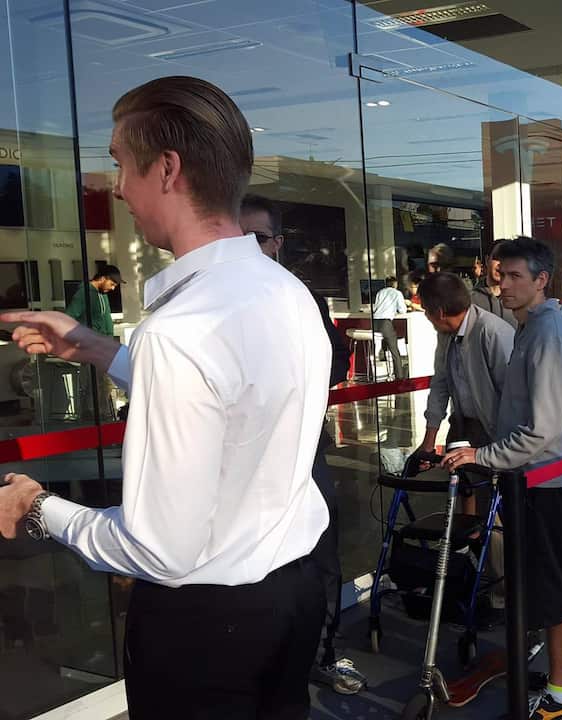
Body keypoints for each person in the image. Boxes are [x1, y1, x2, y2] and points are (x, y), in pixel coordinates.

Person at [0, 75, 329, 718]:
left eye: (121, 162)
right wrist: (101, 350)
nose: (116, 186)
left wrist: (39, 507)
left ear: (168, 170)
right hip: (293, 600)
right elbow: (232, 403)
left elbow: (160, 552)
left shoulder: (179, 332)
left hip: (206, 634)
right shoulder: (283, 290)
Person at [440, 237, 562, 720]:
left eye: (514, 276)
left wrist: (482, 455)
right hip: (538, 478)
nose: (502, 283)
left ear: (542, 280)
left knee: (553, 590)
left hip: (543, 481)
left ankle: (561, 697)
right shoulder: (531, 328)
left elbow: (541, 429)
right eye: (499, 275)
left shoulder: (547, 333)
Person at [241, 193, 365, 695]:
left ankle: (322, 652)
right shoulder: (209, 301)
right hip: (240, 462)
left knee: (319, 553)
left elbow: (337, 363)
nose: (250, 248)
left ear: (278, 243)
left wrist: (291, 384)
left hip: (300, 452)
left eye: (259, 239)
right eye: (239, 238)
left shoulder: (299, 297)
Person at [417, 270, 515, 514]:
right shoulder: (446, 334)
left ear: (439, 312)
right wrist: (428, 443)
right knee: (462, 488)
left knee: (495, 499)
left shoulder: (492, 332)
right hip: (462, 423)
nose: (427, 319)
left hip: (496, 429)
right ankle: (467, 543)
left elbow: (512, 394)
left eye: (427, 312)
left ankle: (492, 544)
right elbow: (440, 382)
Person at [65, 266, 123, 337]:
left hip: (104, 343)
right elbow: (68, 317)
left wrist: (110, 338)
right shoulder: (83, 293)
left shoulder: (103, 294)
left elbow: (107, 319)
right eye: (112, 284)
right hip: (88, 343)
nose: (113, 288)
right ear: (102, 279)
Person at [471, 240, 519, 328]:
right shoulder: (471, 301)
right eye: (497, 258)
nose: (501, 264)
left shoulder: (521, 300)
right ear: (487, 260)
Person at [372, 276, 408, 380]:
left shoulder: (380, 292)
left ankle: (385, 368)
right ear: (395, 284)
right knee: (394, 351)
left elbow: (375, 308)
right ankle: (400, 378)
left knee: (385, 342)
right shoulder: (397, 293)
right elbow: (403, 310)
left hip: (374, 323)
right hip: (385, 323)